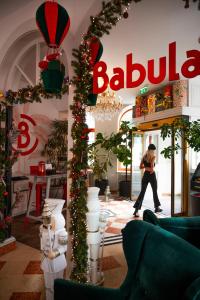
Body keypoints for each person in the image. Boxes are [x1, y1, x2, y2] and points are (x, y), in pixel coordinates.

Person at [133, 143, 162, 217]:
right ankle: (157, 207)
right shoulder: (153, 157)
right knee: (154, 191)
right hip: (151, 175)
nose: (154, 152)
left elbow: (140, 167)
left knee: (142, 192)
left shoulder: (144, 157)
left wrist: (146, 168)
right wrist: (150, 168)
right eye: (153, 151)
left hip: (145, 175)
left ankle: (136, 210)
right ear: (151, 151)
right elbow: (152, 169)